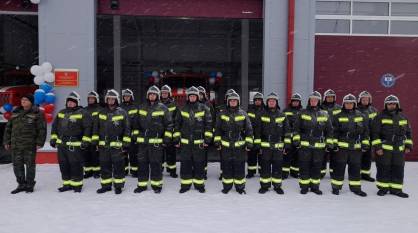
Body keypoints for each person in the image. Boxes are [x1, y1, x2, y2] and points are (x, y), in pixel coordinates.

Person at [133, 85, 173, 194]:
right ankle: (142, 185)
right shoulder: (141, 108)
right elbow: (135, 124)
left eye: (154, 94)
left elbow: (169, 125)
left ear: (157, 96)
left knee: (156, 164)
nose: (152, 96)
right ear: (147, 95)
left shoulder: (163, 108)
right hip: (143, 143)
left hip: (156, 143)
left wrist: (166, 139)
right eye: (150, 94)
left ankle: (157, 185)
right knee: (142, 164)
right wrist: (136, 136)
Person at [3, 94, 46, 194]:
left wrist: (40, 142)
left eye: (26, 100)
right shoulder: (15, 112)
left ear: (31, 102)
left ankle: (30, 184)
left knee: (30, 165)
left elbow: (42, 129)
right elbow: (8, 128)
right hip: (16, 144)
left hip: (29, 145)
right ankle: (21, 184)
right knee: (17, 165)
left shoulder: (37, 113)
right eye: (22, 99)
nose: (23, 101)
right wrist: (6, 141)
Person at [371, 95, 413, 198]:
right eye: (389, 104)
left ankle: (396, 189)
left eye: (394, 103)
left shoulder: (403, 117)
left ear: (397, 105)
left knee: (398, 169)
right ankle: (383, 188)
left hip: (399, 149)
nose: (392, 105)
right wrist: (378, 147)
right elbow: (374, 134)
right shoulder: (379, 117)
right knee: (383, 168)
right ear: (386, 105)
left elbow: (408, 133)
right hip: (384, 150)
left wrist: (408, 145)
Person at [293, 91, 333, 195]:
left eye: (315, 100)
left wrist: (329, 143)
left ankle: (315, 187)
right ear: (309, 101)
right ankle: (304, 186)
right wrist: (296, 140)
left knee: (317, 167)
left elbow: (329, 130)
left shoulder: (324, 114)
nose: (313, 101)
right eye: (312, 100)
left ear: (318, 101)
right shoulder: (302, 112)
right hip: (305, 145)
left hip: (319, 147)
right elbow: (296, 128)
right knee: (304, 166)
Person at [174, 86, 212, 193]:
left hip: (199, 143)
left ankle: (199, 185)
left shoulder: (204, 108)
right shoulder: (182, 109)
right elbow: (177, 125)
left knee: (199, 164)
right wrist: (176, 139)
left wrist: (207, 139)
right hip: (185, 143)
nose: (192, 98)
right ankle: (185, 185)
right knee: (185, 164)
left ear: (197, 97)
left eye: (194, 96)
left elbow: (208, 125)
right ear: (188, 97)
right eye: (190, 96)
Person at [50, 91, 91, 193]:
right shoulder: (61, 113)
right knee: (63, 165)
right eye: (69, 102)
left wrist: (85, 140)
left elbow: (87, 128)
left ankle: (77, 185)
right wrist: (53, 138)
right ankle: (66, 184)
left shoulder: (83, 113)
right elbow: (54, 127)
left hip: (75, 145)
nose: (70, 103)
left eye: (73, 102)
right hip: (62, 145)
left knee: (75, 165)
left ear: (77, 102)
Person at [92, 89, 131, 194]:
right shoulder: (101, 112)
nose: (110, 101)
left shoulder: (122, 112)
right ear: (106, 100)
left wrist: (126, 144)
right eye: (109, 99)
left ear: (116, 100)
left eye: (113, 99)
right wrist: (95, 142)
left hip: (117, 146)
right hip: (103, 146)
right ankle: (106, 185)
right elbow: (96, 128)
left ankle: (118, 186)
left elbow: (127, 129)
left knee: (118, 166)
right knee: (105, 166)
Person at [214, 92, 253, 194]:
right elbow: (217, 129)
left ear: (238, 102)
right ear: (228, 102)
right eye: (231, 100)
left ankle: (240, 187)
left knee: (239, 167)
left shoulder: (243, 114)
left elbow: (249, 129)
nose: (233, 102)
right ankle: (226, 187)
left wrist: (249, 143)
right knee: (226, 166)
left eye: (235, 100)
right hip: (226, 146)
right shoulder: (221, 114)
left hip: (239, 146)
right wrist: (217, 141)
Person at [331, 94, 369, 197]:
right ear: (344, 104)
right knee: (339, 168)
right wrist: (334, 144)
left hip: (356, 149)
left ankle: (356, 188)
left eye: (351, 103)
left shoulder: (361, 116)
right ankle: (336, 187)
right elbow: (334, 132)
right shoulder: (338, 116)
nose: (349, 105)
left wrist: (365, 144)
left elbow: (365, 132)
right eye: (347, 103)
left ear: (354, 104)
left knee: (355, 169)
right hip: (341, 148)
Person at [255, 92, 291, 194]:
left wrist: (287, 146)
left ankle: (277, 186)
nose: (271, 102)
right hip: (265, 146)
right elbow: (257, 132)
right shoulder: (261, 115)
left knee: (277, 167)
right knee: (265, 167)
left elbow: (287, 132)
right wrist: (258, 146)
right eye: (270, 101)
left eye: (273, 101)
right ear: (267, 102)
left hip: (278, 147)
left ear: (276, 102)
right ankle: (264, 186)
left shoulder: (282, 115)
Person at [357, 91, 378, 182]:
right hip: (357, 138)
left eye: (367, 99)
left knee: (367, 157)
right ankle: (356, 174)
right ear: (359, 100)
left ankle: (365, 174)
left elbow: (377, 125)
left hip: (369, 138)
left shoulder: (374, 110)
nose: (365, 101)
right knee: (357, 157)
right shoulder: (355, 110)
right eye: (363, 99)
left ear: (370, 100)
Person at [320, 89, 341, 178]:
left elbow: (342, 120)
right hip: (323, 134)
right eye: (328, 97)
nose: (330, 98)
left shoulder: (339, 108)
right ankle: (321, 172)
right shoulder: (320, 107)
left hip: (336, 135)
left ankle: (333, 172)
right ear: (325, 98)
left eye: (331, 97)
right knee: (322, 155)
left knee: (335, 155)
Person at [282, 93, 303, 178]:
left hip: (298, 137)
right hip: (287, 136)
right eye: (294, 101)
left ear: (299, 102)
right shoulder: (285, 111)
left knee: (297, 156)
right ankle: (284, 173)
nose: (295, 103)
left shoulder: (303, 111)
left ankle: (294, 172)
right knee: (286, 155)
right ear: (291, 102)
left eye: (297, 101)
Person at [160, 85, 178, 178]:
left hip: (170, 131)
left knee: (171, 152)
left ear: (169, 94)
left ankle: (172, 170)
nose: (164, 94)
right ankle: (160, 169)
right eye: (163, 93)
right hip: (159, 133)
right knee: (159, 153)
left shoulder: (173, 104)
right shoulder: (157, 104)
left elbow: (176, 118)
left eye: (166, 93)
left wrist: (174, 131)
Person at [83, 91, 102, 179]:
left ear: (96, 99)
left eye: (92, 98)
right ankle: (88, 171)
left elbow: (101, 124)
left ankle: (96, 171)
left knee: (96, 155)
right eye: (89, 98)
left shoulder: (100, 110)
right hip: (86, 136)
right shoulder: (84, 110)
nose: (90, 100)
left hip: (96, 136)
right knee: (86, 154)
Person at [120, 88, 139, 177]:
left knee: (133, 154)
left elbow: (137, 122)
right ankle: (124, 170)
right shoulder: (119, 107)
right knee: (123, 153)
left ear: (131, 97)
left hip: (132, 135)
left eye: (128, 96)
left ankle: (134, 171)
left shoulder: (135, 107)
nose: (126, 97)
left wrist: (135, 135)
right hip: (122, 135)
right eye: (125, 96)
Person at [246, 92, 264, 178]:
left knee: (262, 156)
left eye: (259, 100)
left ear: (262, 101)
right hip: (252, 137)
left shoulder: (265, 110)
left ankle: (262, 172)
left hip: (262, 137)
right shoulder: (249, 110)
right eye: (256, 100)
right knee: (251, 156)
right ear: (254, 101)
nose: (257, 101)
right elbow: (246, 123)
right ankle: (251, 172)